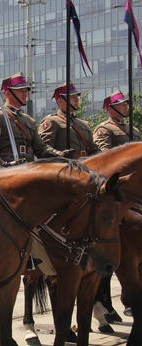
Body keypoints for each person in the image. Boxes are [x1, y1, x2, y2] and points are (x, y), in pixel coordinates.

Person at [93, 90, 140, 325]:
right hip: (116, 185)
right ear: (109, 108)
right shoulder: (104, 129)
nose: (124, 107)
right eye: (119, 105)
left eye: (125, 104)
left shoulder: (134, 130)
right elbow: (105, 156)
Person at [0, 72, 70, 166]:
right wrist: (2, 163)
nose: (25, 94)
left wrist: (61, 154)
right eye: (21, 91)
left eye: (25, 91)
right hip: (6, 169)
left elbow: (41, 149)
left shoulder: (28, 120)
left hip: (28, 167)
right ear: (8, 93)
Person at [39, 81, 100, 158]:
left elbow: (93, 148)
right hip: (65, 165)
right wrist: (60, 154)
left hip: (86, 164)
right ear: (60, 101)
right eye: (72, 97)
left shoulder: (83, 123)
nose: (77, 100)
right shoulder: (52, 121)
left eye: (77, 96)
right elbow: (43, 146)